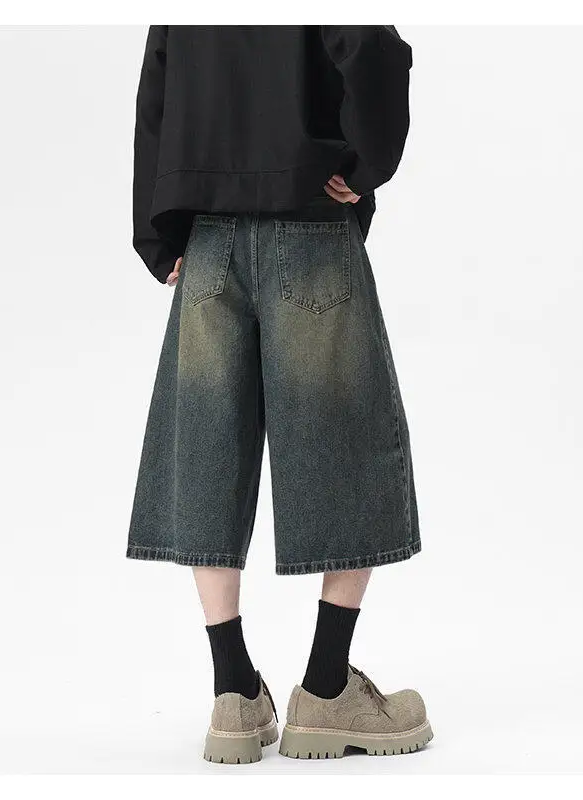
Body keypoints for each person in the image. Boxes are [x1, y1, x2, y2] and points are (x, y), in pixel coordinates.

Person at [127, 25, 431, 764]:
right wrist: (364, 165)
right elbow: (373, 46)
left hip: (207, 240)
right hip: (310, 223)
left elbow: (157, 88)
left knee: (207, 447)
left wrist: (157, 236)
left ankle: (233, 692)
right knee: (348, 444)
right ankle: (326, 689)